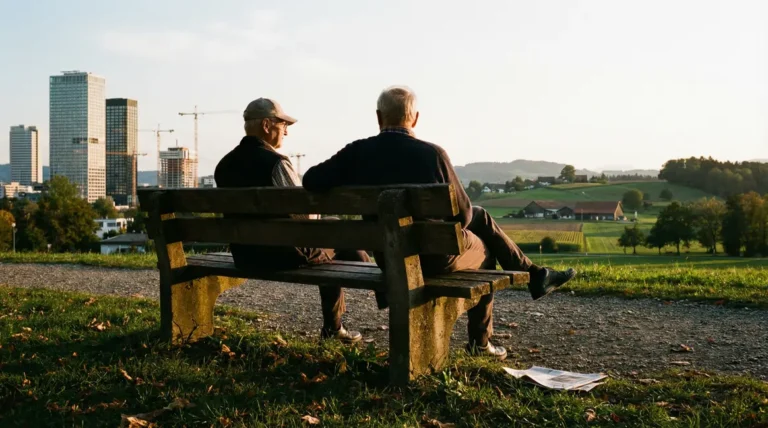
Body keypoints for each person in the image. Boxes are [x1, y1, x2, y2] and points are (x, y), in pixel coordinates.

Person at [302, 86, 577, 360]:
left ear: (378, 117)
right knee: (485, 245)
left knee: (481, 217)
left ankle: (534, 275)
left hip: (389, 257)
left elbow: (311, 179)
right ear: (415, 118)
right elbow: (463, 216)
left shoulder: (356, 152)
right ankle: (481, 342)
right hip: (435, 259)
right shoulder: (432, 154)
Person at [214, 97, 369, 344]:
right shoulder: (276, 163)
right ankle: (337, 325)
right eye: (282, 124)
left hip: (245, 254)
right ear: (266, 125)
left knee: (335, 234)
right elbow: (305, 217)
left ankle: (362, 292)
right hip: (283, 255)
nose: (286, 131)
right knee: (342, 237)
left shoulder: (223, 165)